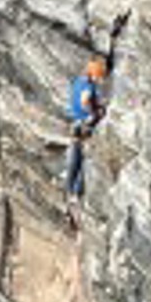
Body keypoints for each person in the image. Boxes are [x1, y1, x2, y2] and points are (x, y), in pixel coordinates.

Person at [65, 58, 106, 206]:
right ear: (93, 74)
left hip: (74, 122)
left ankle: (69, 189)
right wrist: (95, 113)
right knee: (85, 160)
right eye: (99, 76)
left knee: (74, 157)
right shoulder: (89, 85)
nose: (100, 79)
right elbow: (84, 101)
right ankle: (76, 192)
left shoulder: (78, 81)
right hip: (84, 123)